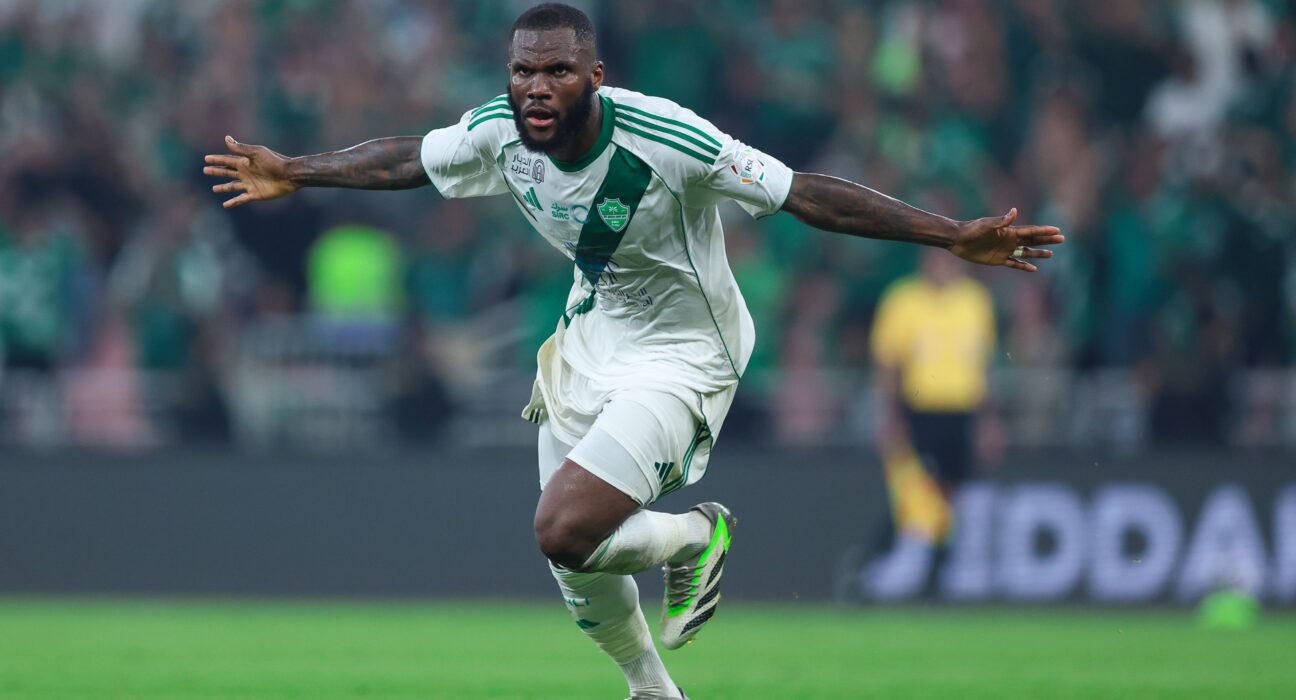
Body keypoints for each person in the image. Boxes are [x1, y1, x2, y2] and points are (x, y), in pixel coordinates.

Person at [202, 5, 1063, 698]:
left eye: (557, 71)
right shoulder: (501, 131)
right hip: (591, 340)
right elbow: (410, 161)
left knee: (563, 524)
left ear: (596, 77)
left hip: (685, 353)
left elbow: (805, 195)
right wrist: (296, 171)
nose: (536, 88)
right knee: (572, 560)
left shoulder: (669, 138)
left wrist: (950, 235)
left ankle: (695, 535)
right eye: (523, 71)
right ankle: (651, 689)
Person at [858, 247, 1001, 600]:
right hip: (919, 412)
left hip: (962, 412)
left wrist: (988, 420)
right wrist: (890, 415)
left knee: (953, 493)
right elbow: (888, 364)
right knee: (916, 491)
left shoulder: (975, 300)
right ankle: (880, 562)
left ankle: (940, 567)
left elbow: (983, 366)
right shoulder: (903, 299)